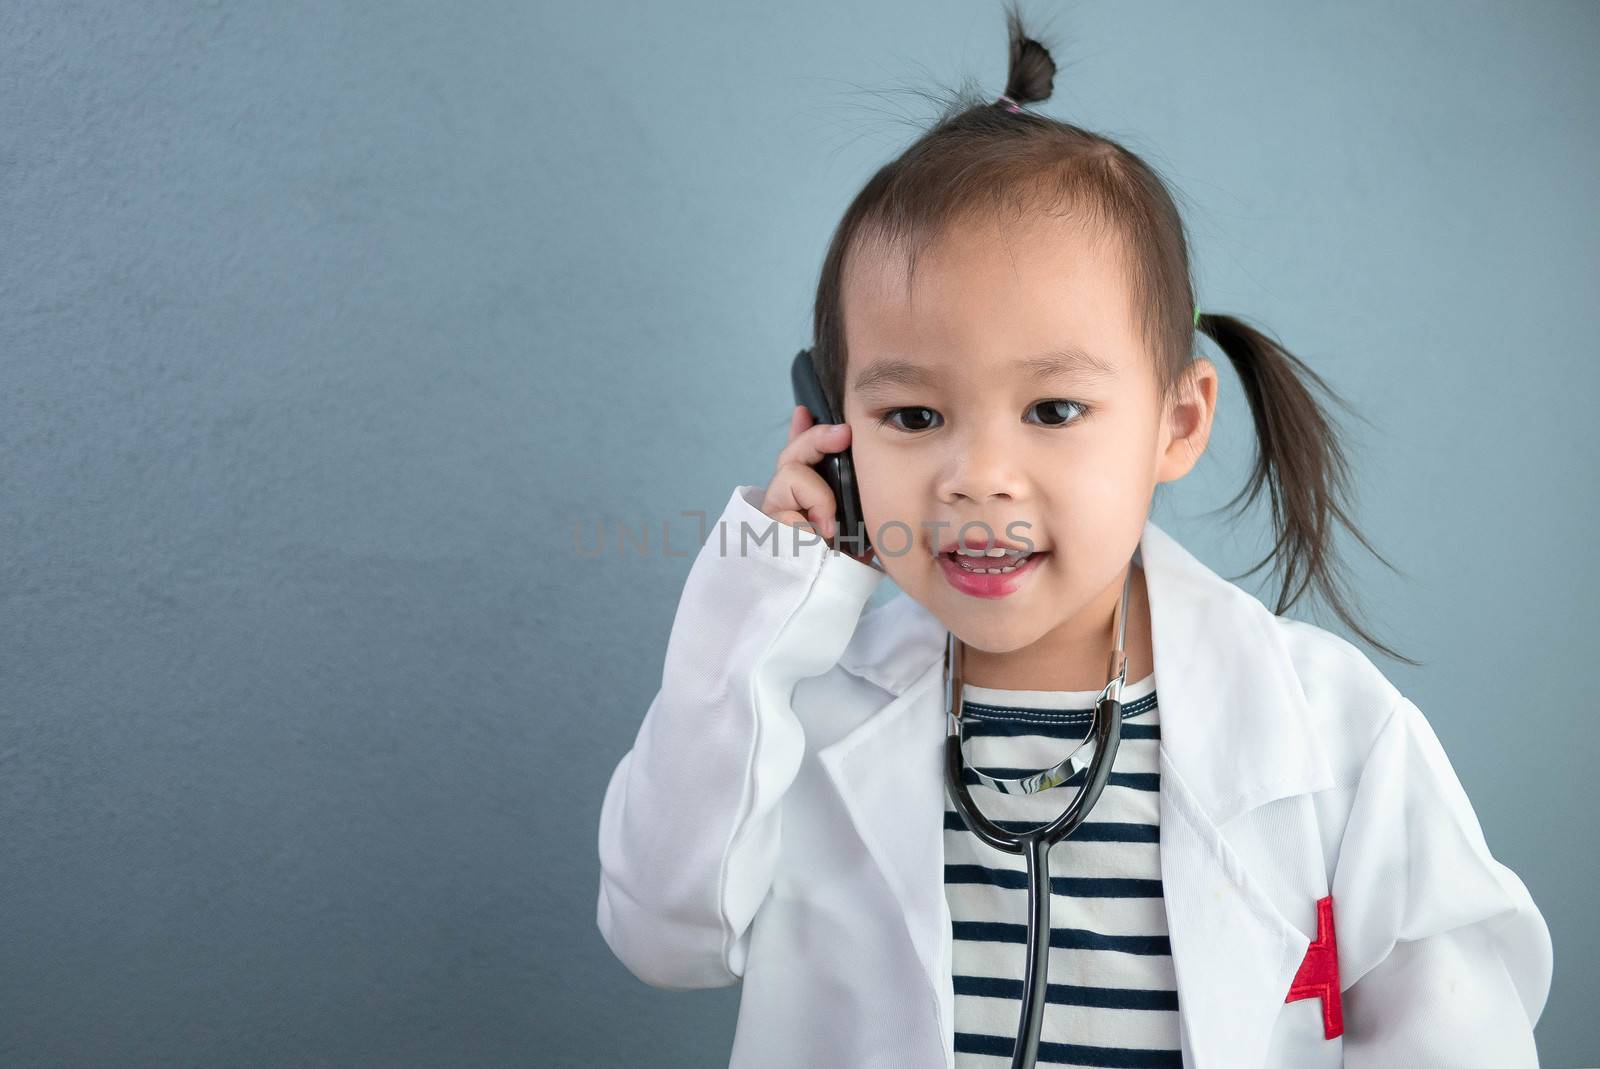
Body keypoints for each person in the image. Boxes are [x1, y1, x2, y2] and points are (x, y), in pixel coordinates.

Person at [595, 5, 1552, 1066]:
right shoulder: (798, 714)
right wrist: (767, 599)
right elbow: (662, 935)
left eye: (1052, 410)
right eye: (912, 417)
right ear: (833, 432)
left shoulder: (1335, 736)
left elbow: (1459, 1035)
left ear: (1177, 422)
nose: (977, 477)